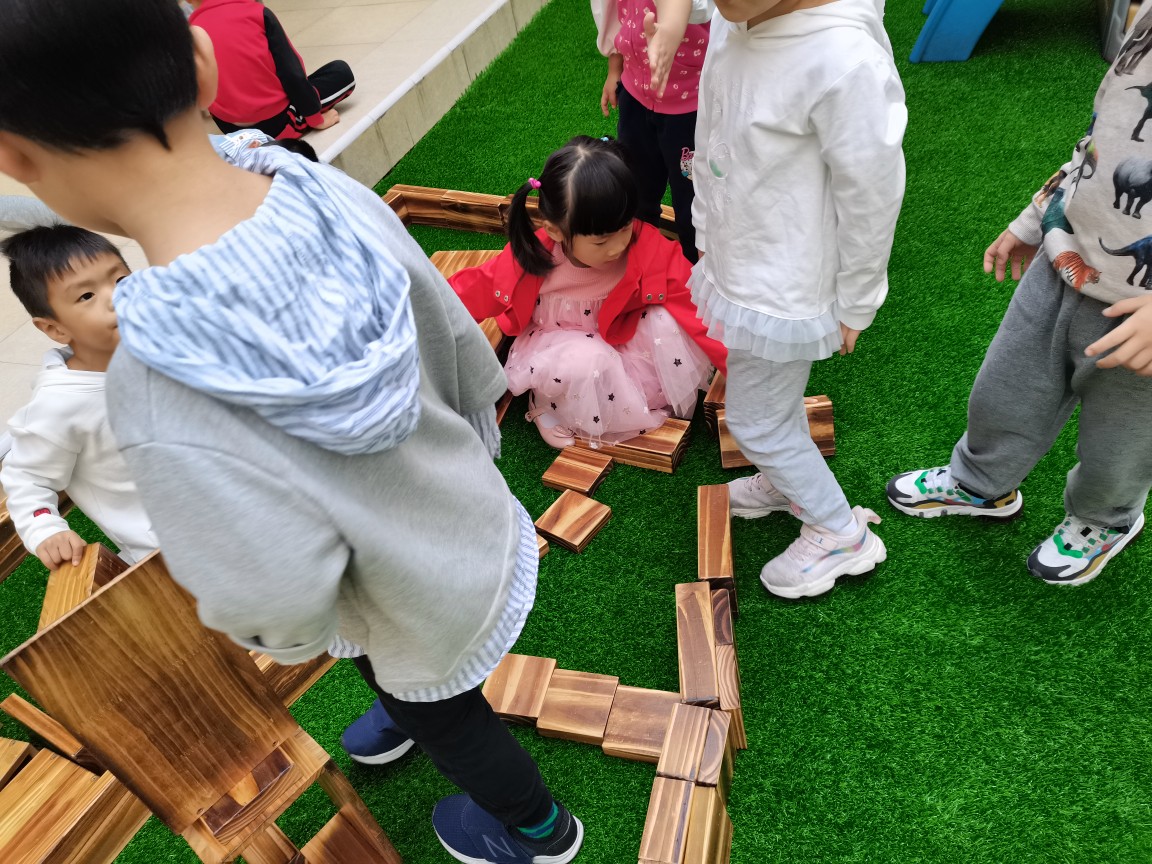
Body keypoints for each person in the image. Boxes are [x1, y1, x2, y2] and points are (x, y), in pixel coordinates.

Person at [0, 2, 580, 861]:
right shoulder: (321, 188)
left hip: (398, 599)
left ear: (14, 158)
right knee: (420, 682)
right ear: (203, 63)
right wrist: (472, 455)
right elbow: (451, 335)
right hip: (468, 516)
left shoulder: (154, 379)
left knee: (448, 715)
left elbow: (274, 586)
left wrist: (294, 640)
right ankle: (403, 697)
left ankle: (537, 828)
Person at [887, 4, 1152, 587]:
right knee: (1006, 388)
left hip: (1141, 315)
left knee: (1122, 442)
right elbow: (1096, 145)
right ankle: (980, 483)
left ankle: (1104, 519)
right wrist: (1036, 216)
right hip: (1064, 261)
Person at [690, 0, 906, 599]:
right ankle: (786, 482)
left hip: (783, 284)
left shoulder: (843, 60)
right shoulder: (737, 16)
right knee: (771, 407)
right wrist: (706, 224)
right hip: (746, 258)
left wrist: (859, 297)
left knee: (756, 421)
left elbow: (872, 195)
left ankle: (840, 532)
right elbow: (713, 128)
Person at [449, 135, 725, 449]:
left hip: (618, 331)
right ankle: (547, 404)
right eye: (601, 241)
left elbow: (696, 308)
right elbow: (471, 291)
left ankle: (629, 393)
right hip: (562, 343)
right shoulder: (532, 257)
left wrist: (740, 371)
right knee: (586, 361)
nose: (618, 247)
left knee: (665, 321)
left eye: (625, 228)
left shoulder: (647, 246)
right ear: (556, 231)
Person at [0, 226, 159, 570]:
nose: (116, 297)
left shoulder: (162, 348)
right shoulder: (61, 405)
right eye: (86, 296)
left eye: (121, 280)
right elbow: (27, 478)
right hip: (170, 551)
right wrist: (45, 527)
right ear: (55, 328)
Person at [592, 0, 713, 262]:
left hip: (689, 105)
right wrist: (615, 68)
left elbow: (702, 10)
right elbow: (616, 13)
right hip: (635, 93)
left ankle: (694, 267)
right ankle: (639, 259)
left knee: (691, 201)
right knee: (635, 188)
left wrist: (671, 26)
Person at [188, 0, 354, 140]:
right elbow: (291, 73)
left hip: (232, 130)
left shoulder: (188, 33)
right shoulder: (256, 13)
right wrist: (316, 119)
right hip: (277, 124)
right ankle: (300, 118)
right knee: (341, 72)